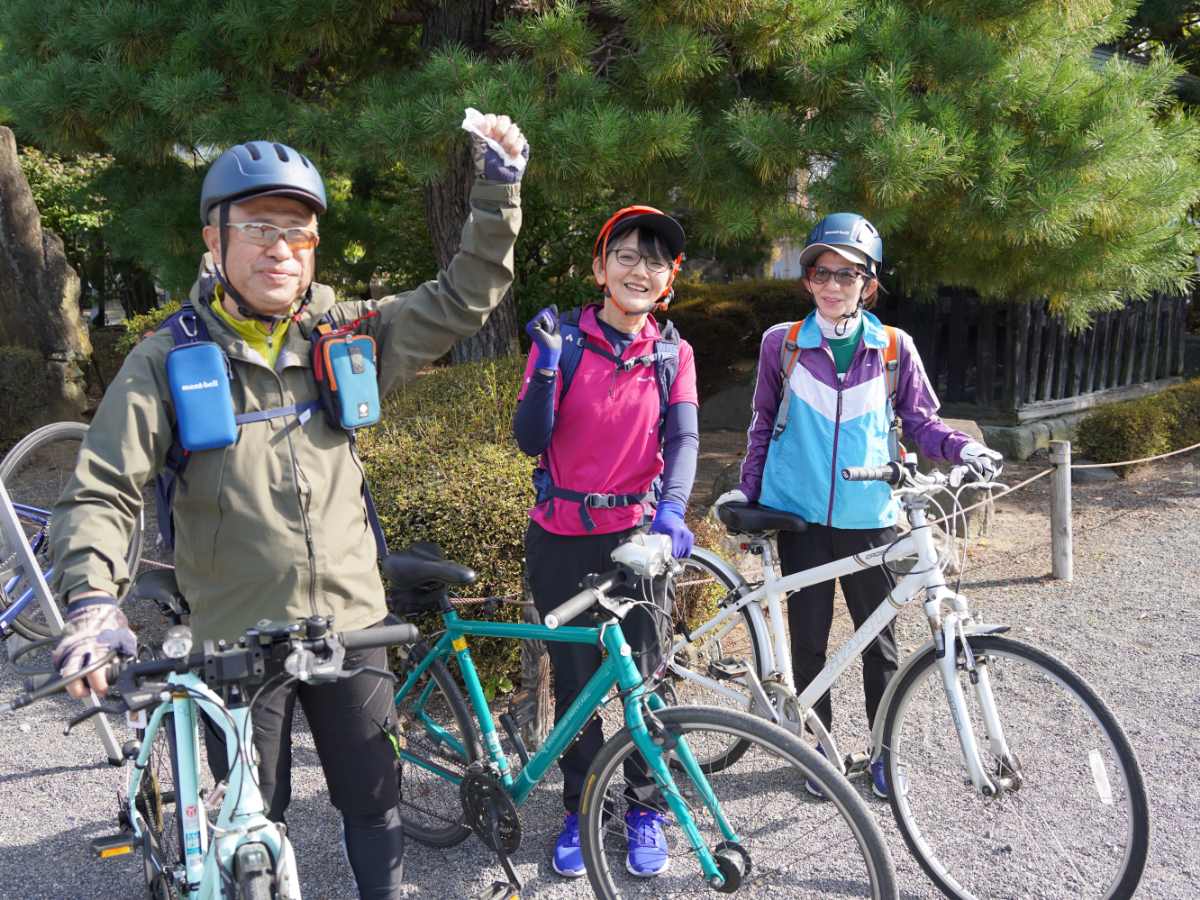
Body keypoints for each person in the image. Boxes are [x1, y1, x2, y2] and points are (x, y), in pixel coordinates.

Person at [47, 115, 528, 899]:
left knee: (375, 801)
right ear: (215, 239)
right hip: (235, 640)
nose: (280, 249)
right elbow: (102, 486)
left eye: (298, 234)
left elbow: (462, 297)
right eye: (259, 228)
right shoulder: (167, 359)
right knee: (249, 821)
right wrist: (95, 600)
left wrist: (498, 191)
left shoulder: (349, 336)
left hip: (351, 623)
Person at [713, 213, 1002, 800]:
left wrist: (963, 447)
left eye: (847, 275)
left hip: (870, 516)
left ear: (868, 283)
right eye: (822, 272)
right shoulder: (783, 343)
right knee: (811, 642)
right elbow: (762, 422)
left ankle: (883, 753)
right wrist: (749, 488)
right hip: (798, 514)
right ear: (809, 279)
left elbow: (921, 423)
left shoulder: (894, 347)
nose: (832, 284)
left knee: (881, 647)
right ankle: (817, 749)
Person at [512, 206, 699, 879]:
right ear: (599, 268)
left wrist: (672, 511)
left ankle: (646, 808)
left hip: (636, 542)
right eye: (625, 254)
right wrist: (544, 366)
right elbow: (530, 438)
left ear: (668, 277)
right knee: (575, 684)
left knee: (644, 680)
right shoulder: (560, 338)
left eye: (654, 259)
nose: (639, 268)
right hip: (561, 538)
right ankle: (584, 807)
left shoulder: (674, 352)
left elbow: (682, 439)